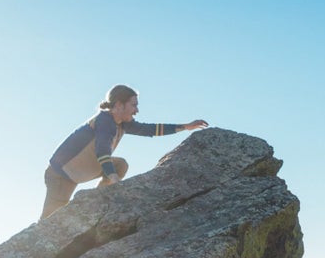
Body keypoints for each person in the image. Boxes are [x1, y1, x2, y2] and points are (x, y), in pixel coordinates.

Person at [41, 85, 209, 219]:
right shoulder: (105, 120)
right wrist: (112, 177)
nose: (136, 110)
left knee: (120, 165)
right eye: (134, 105)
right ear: (119, 105)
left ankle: (95, 201)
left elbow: (149, 129)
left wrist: (185, 127)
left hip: (79, 171)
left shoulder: (122, 122)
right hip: (61, 176)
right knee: (48, 222)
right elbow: (102, 150)